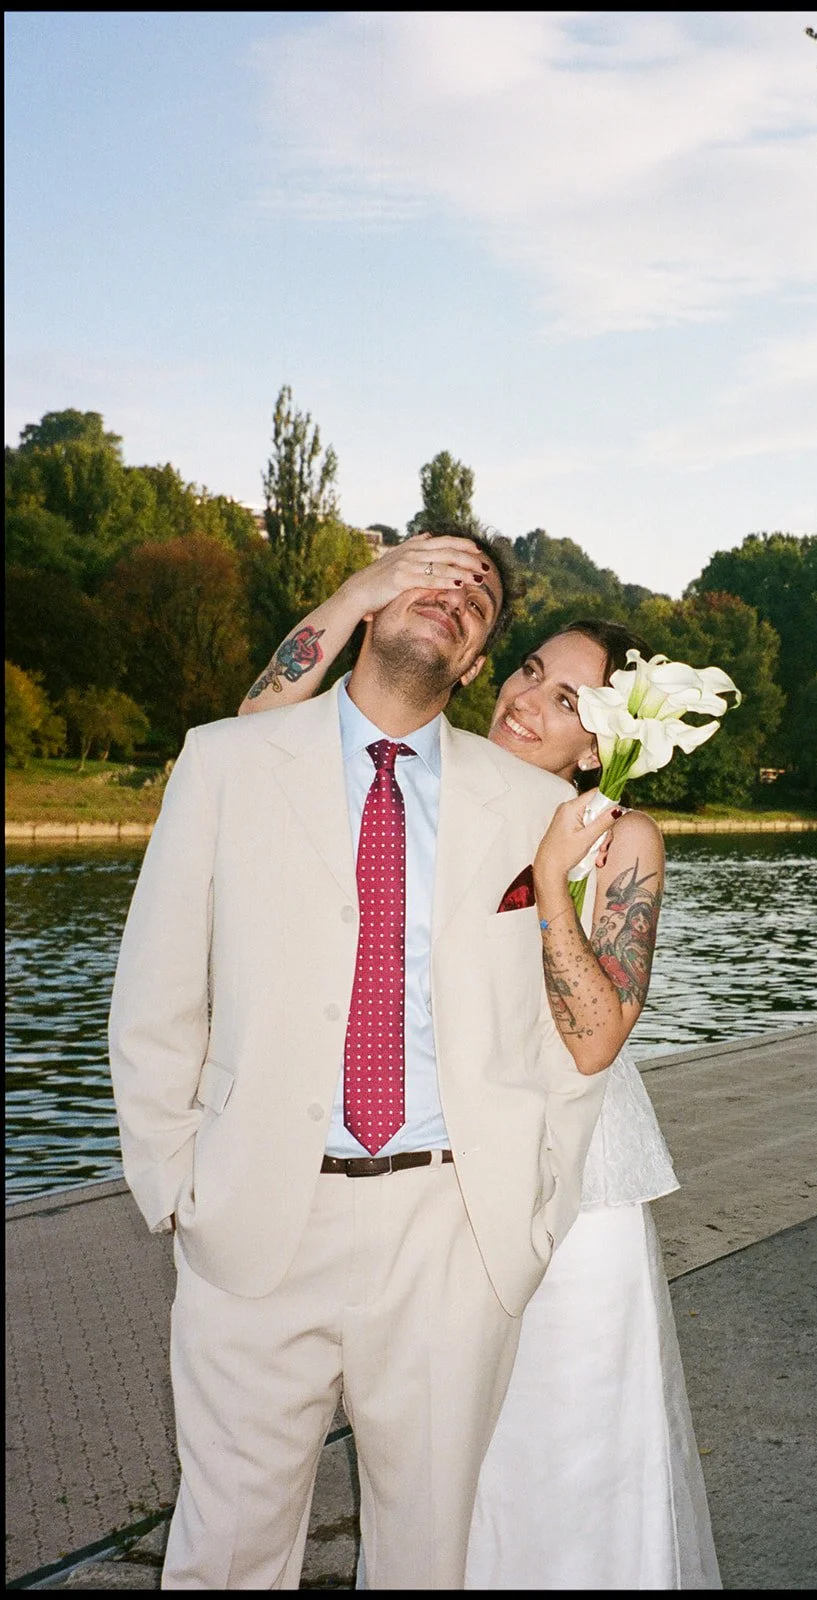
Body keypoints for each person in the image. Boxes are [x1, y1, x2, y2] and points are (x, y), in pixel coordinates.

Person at [108, 527, 615, 1590]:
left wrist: (533, 1212)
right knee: (223, 1554)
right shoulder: (231, 761)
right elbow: (156, 992)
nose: (456, 596)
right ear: (374, 598)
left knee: (425, 1560)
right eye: (434, 573)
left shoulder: (536, 813)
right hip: (252, 1220)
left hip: (449, 1233)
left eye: (480, 600)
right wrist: (175, 1186)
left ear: (475, 666)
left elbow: (564, 1045)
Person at [243, 539, 723, 1589]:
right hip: (439, 1176)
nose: (529, 701)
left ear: (607, 743)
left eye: (568, 699)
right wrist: (360, 596)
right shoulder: (430, 774)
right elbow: (254, 732)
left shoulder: (623, 840)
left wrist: (553, 882)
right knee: (439, 1472)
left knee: (565, 1453)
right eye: (528, 671)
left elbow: (594, 1039)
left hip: (573, 1186)